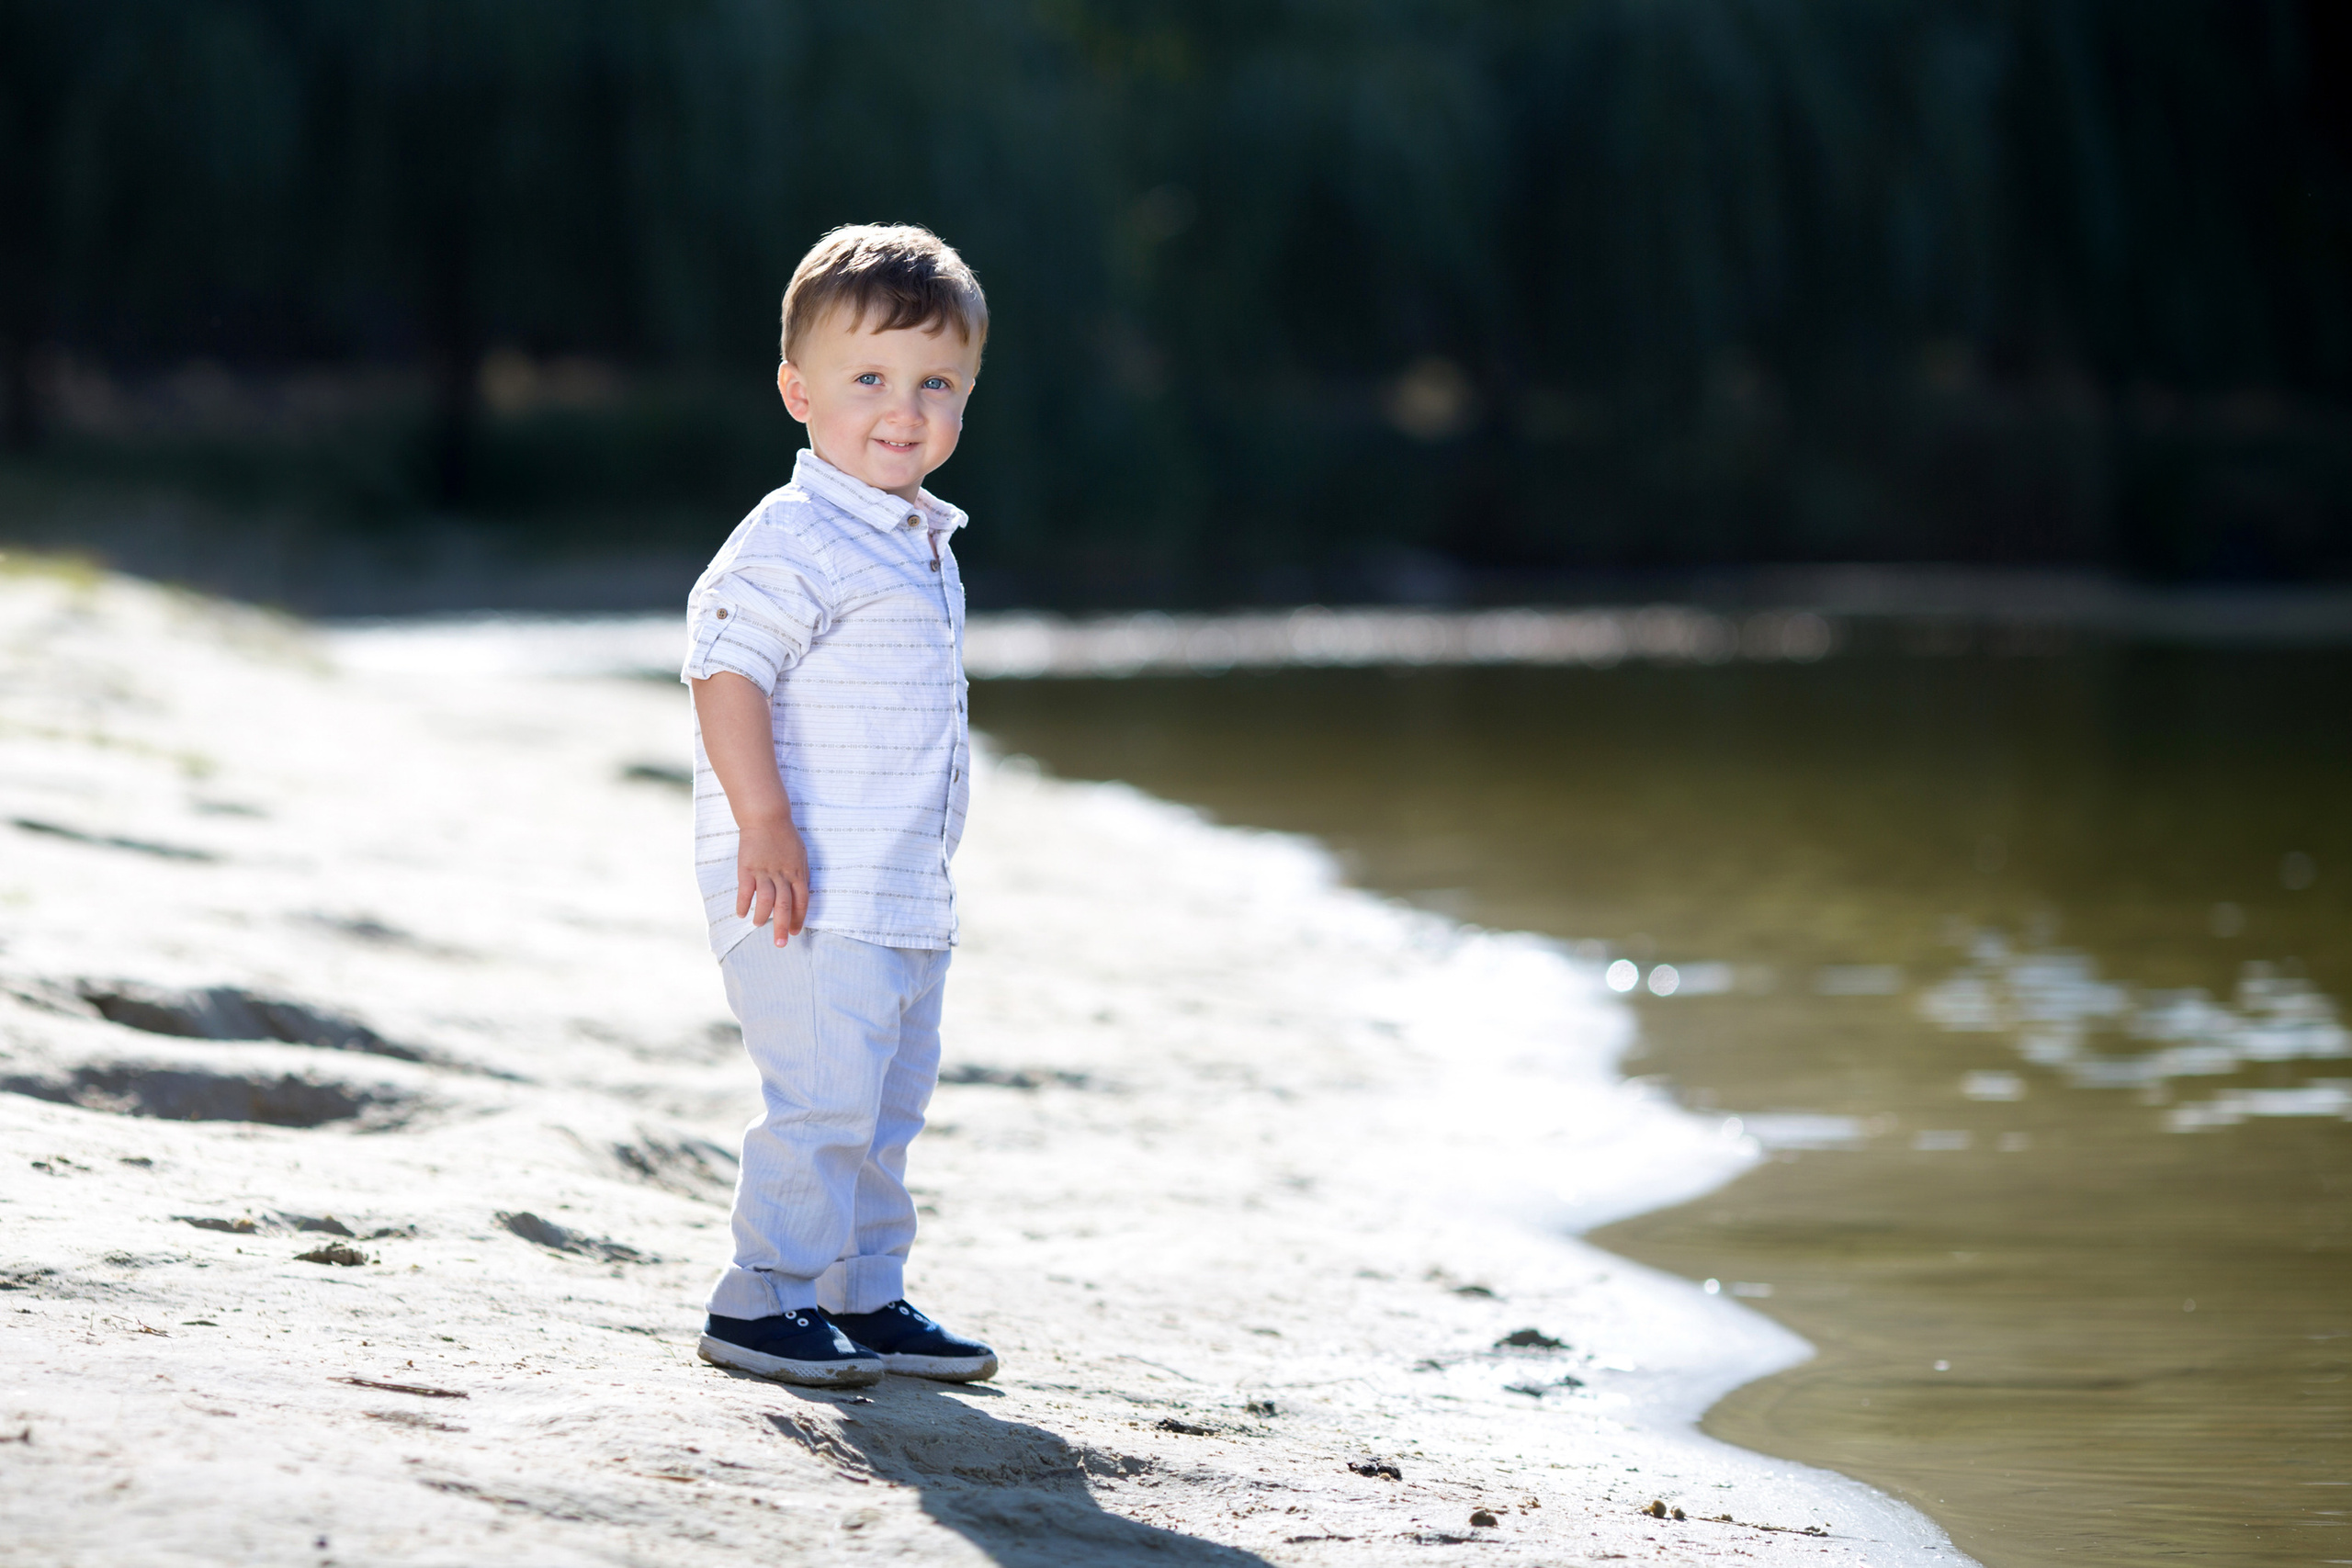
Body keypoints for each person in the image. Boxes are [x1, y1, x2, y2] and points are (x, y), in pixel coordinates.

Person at [682, 224, 997, 1388]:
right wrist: (763, 820)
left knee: (883, 1108)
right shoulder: (793, 535)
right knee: (820, 1099)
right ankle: (762, 1297)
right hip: (803, 884)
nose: (902, 409)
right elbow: (726, 673)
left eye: (936, 385)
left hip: (899, 888)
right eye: (868, 379)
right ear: (796, 389)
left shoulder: (920, 539)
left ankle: (860, 1292)